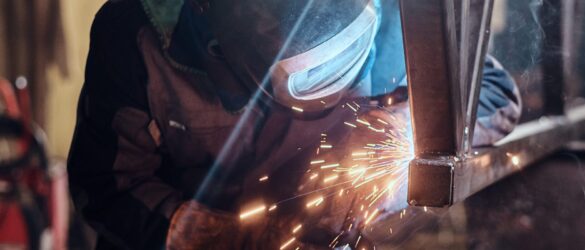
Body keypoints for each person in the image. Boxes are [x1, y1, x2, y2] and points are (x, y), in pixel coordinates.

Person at [67, 0, 521, 248]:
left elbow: (494, 91)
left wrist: (406, 130)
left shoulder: (398, 21)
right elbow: (104, 184)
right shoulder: (138, 37)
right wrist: (227, 237)